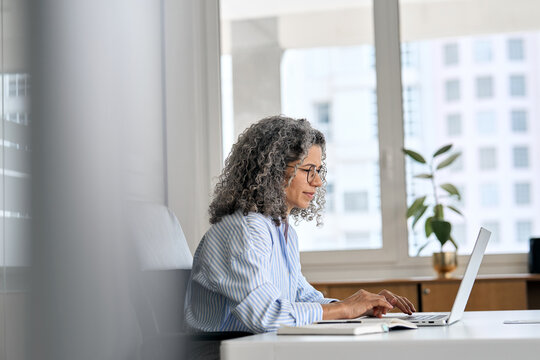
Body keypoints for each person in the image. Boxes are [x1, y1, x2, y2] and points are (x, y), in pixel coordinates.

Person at [184, 115, 415, 333]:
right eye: (307, 171)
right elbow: (265, 315)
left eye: (318, 171)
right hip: (219, 351)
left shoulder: (281, 230)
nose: (317, 181)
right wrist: (345, 309)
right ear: (272, 171)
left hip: (257, 346)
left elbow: (302, 297)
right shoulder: (244, 231)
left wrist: (362, 305)